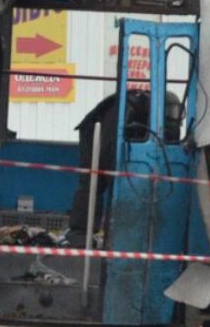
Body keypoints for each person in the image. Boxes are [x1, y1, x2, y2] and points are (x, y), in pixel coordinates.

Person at [65, 90, 183, 246]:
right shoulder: (124, 112)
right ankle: (81, 234)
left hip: (109, 136)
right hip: (94, 133)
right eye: (169, 113)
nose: (171, 118)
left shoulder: (144, 114)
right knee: (92, 184)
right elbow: (110, 152)